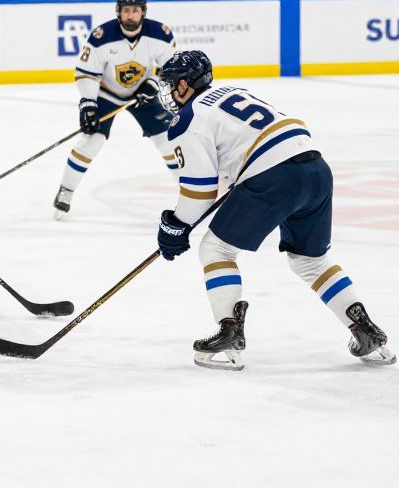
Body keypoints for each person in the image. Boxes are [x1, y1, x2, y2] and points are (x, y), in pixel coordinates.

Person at [154, 50, 394, 370]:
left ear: (184, 85)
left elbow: (200, 189)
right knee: (311, 261)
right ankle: (365, 330)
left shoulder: (187, 119)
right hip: (315, 167)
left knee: (215, 249)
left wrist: (175, 224)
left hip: (274, 177)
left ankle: (229, 330)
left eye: (171, 85)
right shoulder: (232, 92)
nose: (168, 92)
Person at [53, 0, 178, 220]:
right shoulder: (102, 36)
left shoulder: (160, 34)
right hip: (107, 93)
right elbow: (87, 73)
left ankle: (188, 193)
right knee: (92, 141)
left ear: (143, 12)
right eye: (126, 10)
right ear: (118, 12)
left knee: (168, 140)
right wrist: (88, 104)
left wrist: (151, 84)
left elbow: (168, 67)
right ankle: (66, 190)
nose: (131, 15)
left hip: (142, 94)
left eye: (136, 10)